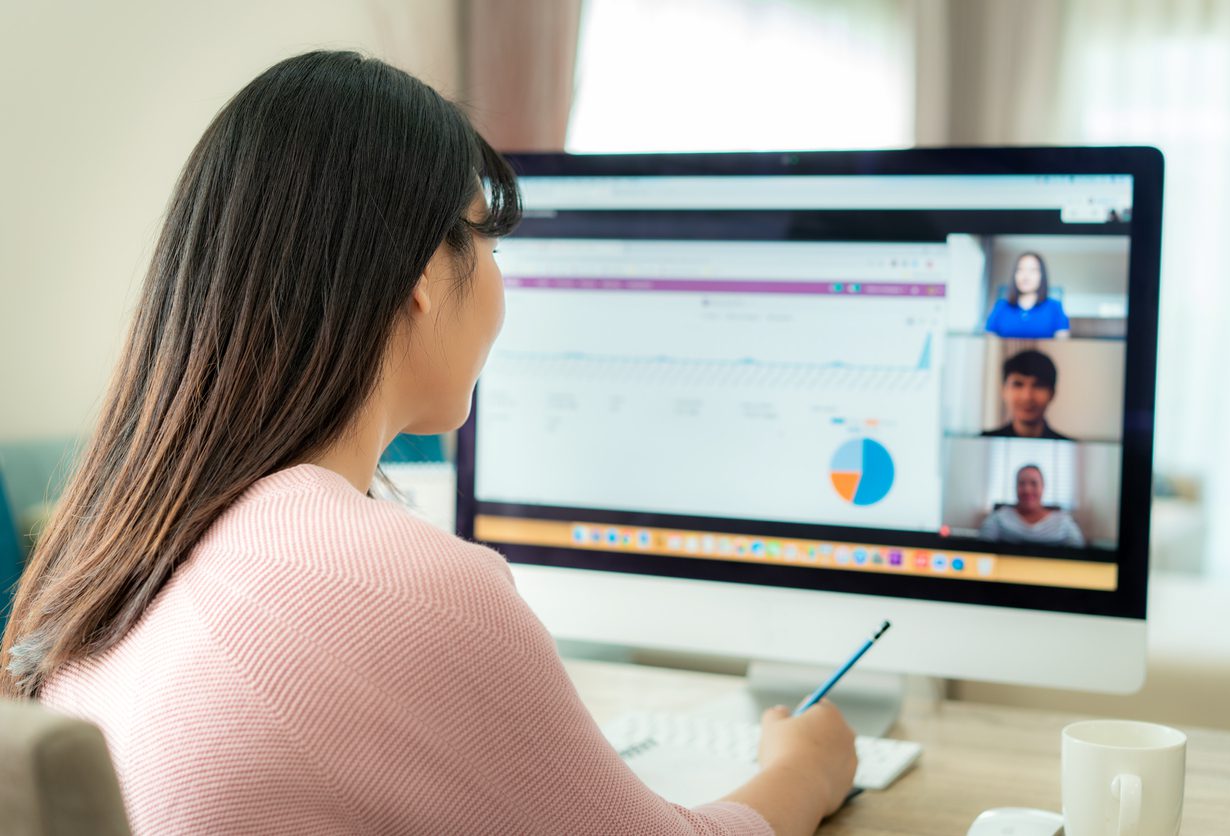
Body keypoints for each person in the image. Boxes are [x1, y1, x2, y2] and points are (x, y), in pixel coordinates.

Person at [0, 53, 858, 836]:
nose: (496, 279)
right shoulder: (393, 587)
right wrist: (805, 770)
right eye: (484, 238)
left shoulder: (111, 555)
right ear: (418, 271)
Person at [979, 465, 1085, 547]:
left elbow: (1080, 554)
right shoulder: (998, 518)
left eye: (1034, 483)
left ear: (1043, 487)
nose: (1027, 490)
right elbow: (981, 549)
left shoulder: (1063, 522)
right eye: (1021, 484)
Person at [982, 349, 1074, 441]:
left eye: (1038, 386)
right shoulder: (984, 442)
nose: (1027, 397)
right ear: (1003, 390)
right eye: (1018, 384)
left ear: (1052, 393)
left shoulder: (1069, 446)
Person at [984, 252, 1071, 339]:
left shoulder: (1055, 307)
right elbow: (990, 339)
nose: (1026, 276)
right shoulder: (1001, 306)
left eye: (1032, 270)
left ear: (1041, 275)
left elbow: (1062, 344)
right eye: (1020, 269)